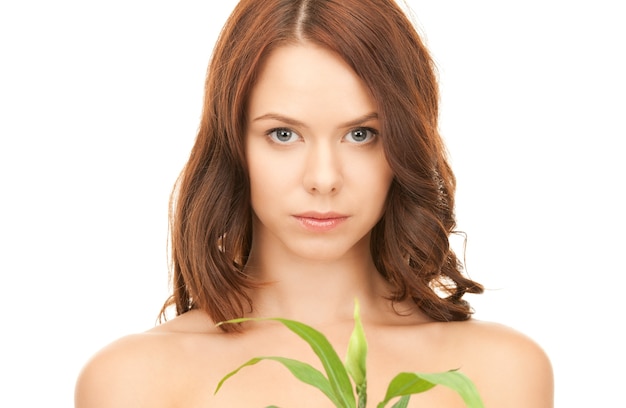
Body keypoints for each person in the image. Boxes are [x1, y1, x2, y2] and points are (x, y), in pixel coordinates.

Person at [74, 0, 553, 406]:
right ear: (234, 143)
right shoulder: (133, 382)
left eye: (362, 134)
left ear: (403, 146)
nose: (323, 179)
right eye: (283, 134)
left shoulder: (499, 374)